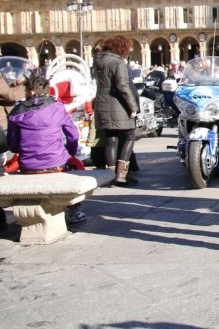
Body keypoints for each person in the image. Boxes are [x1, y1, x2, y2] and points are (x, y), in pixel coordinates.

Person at [6, 71, 86, 224]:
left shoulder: (17, 112)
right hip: (56, 163)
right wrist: (70, 153)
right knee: (77, 167)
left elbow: (13, 144)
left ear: (28, 91)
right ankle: (73, 211)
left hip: (28, 166)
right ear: (48, 90)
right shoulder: (57, 107)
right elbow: (73, 136)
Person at [93, 35, 140, 186]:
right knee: (129, 137)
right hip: (118, 105)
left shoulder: (98, 60)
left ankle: (110, 176)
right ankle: (121, 175)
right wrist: (133, 107)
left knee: (111, 140)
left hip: (102, 103)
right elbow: (122, 86)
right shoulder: (118, 62)